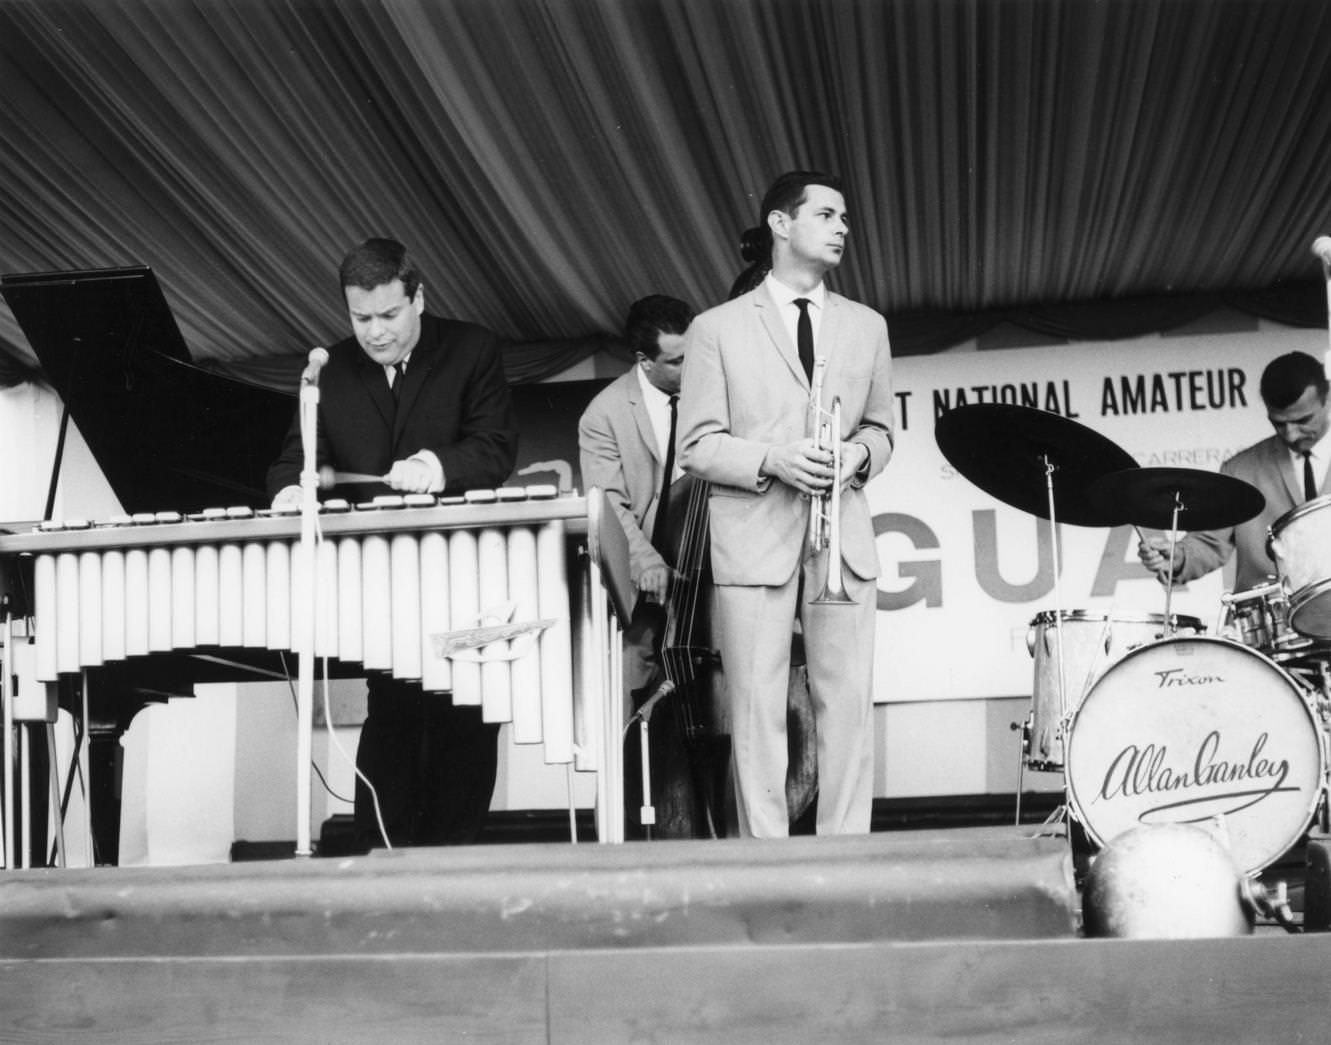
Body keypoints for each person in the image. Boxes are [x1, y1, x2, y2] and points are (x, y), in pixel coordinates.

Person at [266, 237, 518, 849]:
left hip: (463, 572)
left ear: (419, 299)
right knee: (394, 715)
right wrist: (291, 492)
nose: (374, 333)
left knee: (465, 717)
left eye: (388, 316)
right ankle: (384, 859)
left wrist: (439, 464)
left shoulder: (471, 349)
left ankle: (454, 865)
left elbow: (495, 446)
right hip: (378, 585)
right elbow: (296, 460)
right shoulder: (331, 371)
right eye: (360, 318)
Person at [676, 170, 894, 838]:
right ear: (779, 223)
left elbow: (882, 431)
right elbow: (698, 446)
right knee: (754, 707)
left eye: (844, 218)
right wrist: (772, 458)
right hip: (754, 538)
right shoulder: (713, 329)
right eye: (827, 215)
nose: (842, 229)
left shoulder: (867, 325)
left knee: (848, 705)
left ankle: (846, 853)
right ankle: (764, 857)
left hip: (841, 543)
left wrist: (857, 456)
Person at [578, 294, 694, 694]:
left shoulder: (715, 392)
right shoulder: (603, 414)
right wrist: (646, 561)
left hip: (706, 569)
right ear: (645, 360)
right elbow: (609, 503)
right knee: (633, 681)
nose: (691, 367)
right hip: (643, 577)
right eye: (677, 361)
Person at [1137, 351, 1330, 591]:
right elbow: (1209, 542)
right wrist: (1177, 558)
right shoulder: (1240, 469)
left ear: (1328, 398)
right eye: (1279, 423)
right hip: (1272, 623)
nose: (1290, 434)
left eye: (1303, 420)